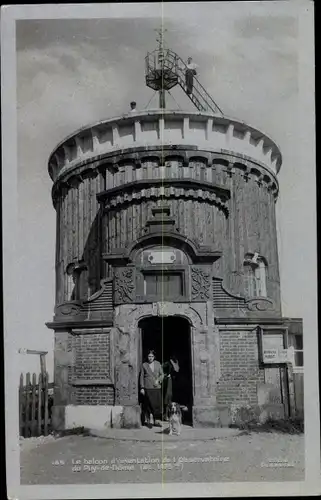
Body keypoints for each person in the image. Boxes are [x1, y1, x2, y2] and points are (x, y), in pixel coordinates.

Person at [139, 350, 164, 428]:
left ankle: (156, 420)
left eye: (152, 356)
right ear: (147, 357)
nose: (150, 358)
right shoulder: (144, 365)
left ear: (154, 357)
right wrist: (142, 387)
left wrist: (158, 380)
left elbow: (162, 374)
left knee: (156, 404)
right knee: (149, 404)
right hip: (147, 387)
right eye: (149, 356)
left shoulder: (158, 364)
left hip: (156, 387)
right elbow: (141, 377)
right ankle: (150, 420)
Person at [162, 355, 180, 420]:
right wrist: (166, 375)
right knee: (168, 398)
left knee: (174, 398)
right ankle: (166, 415)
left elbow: (177, 370)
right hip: (169, 381)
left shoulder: (176, 362)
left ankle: (174, 415)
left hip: (175, 382)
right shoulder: (167, 363)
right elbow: (163, 369)